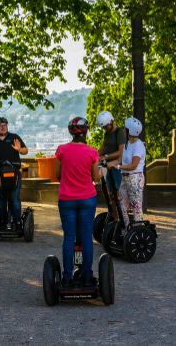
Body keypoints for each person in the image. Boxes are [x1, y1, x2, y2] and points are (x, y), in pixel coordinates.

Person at [55, 116, 103, 286]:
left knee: (69, 237)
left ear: (71, 132)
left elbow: (58, 175)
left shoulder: (62, 150)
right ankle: (87, 275)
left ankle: (67, 276)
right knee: (86, 237)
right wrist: (101, 173)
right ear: (86, 132)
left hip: (67, 199)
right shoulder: (92, 152)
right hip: (87, 199)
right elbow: (96, 178)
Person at [0, 116, 28, 228]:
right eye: (0, 126)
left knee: (14, 197)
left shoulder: (14, 137)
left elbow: (25, 151)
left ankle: (17, 221)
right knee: (1, 198)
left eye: (4, 125)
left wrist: (19, 149)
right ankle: (2, 221)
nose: (3, 127)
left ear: (7, 126)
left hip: (14, 173)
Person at [108, 117, 145, 227]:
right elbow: (120, 160)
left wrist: (118, 167)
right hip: (125, 177)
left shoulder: (138, 145)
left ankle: (138, 231)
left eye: (125, 128)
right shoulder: (127, 144)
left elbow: (134, 165)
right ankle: (127, 229)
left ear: (129, 131)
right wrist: (108, 163)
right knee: (122, 206)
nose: (124, 130)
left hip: (135, 178)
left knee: (136, 207)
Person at [96, 112, 126, 211]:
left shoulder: (120, 132)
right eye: (103, 127)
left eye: (106, 126)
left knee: (118, 191)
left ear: (111, 121)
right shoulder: (107, 133)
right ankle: (114, 215)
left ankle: (122, 213)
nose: (105, 128)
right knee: (111, 192)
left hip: (116, 165)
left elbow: (121, 152)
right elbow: (104, 147)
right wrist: (95, 155)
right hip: (108, 166)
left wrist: (105, 156)